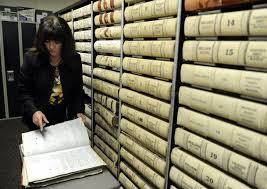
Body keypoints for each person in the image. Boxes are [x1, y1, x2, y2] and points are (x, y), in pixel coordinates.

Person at [18, 15, 85, 131]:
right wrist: (34, 111)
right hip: (38, 119)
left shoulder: (74, 59)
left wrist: (78, 111)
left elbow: (77, 90)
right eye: (47, 41)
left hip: (63, 118)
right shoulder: (32, 59)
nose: (51, 47)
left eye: (56, 42)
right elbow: (23, 91)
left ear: (65, 41)